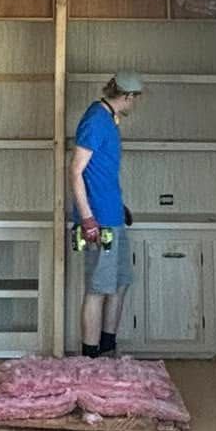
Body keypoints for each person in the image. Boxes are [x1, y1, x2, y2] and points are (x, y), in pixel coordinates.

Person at [69, 72, 144, 359]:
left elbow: (101, 172)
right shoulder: (95, 121)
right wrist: (88, 219)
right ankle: (90, 358)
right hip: (98, 222)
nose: (135, 104)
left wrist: (118, 206)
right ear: (128, 96)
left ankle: (107, 349)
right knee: (98, 288)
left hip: (112, 216)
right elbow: (76, 171)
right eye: (135, 99)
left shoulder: (109, 120)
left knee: (119, 283)